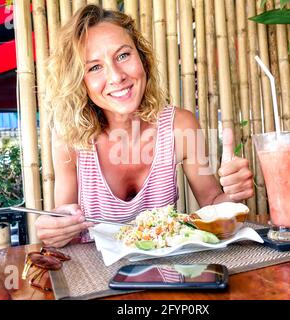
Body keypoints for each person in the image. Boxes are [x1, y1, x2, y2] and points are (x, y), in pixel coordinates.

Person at [36, 5, 254, 248]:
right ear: (79, 81)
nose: (117, 76)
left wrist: (233, 196)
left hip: (169, 276)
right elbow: (64, 225)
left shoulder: (179, 126)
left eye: (123, 55)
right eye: (95, 67)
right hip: (97, 277)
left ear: (143, 59)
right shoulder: (69, 138)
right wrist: (55, 230)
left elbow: (213, 203)